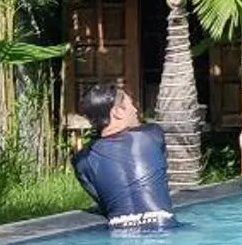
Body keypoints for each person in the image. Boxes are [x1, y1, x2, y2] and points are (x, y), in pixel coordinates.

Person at [70, 83, 174, 228]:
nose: (136, 109)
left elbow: (103, 202)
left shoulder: (81, 160)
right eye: (131, 105)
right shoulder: (152, 134)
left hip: (121, 234)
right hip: (164, 228)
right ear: (118, 112)